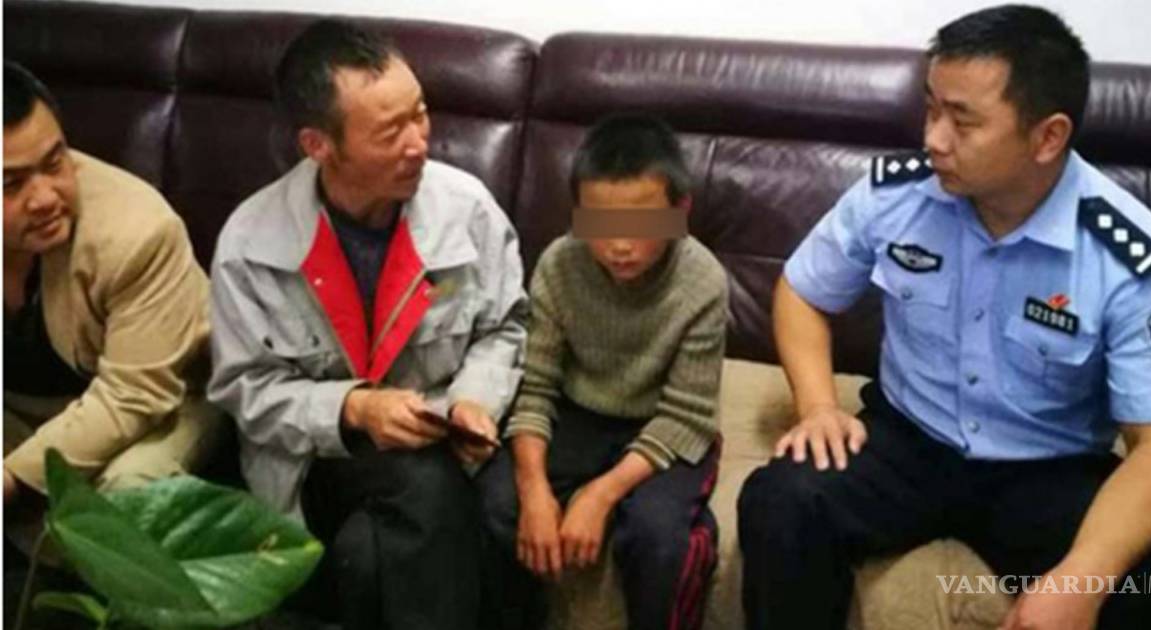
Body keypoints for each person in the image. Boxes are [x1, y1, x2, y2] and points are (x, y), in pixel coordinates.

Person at [737, 5, 1151, 630]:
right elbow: (802, 291)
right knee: (781, 501)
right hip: (908, 441)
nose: (934, 138)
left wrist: (1081, 578)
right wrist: (818, 406)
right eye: (931, 109)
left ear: (1047, 137)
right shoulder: (896, 194)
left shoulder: (1125, 253)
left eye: (962, 121)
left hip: (1047, 467)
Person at [205, 20, 527, 630]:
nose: (419, 143)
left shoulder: (466, 210)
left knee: (502, 509)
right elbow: (244, 389)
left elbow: (504, 327)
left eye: (420, 114)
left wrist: (473, 402)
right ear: (318, 145)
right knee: (423, 486)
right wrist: (353, 408)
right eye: (389, 132)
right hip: (320, 456)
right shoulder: (251, 244)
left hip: (443, 432)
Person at [477, 114, 728, 630]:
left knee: (658, 535)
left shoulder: (702, 280)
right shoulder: (559, 264)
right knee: (498, 500)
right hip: (579, 413)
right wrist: (534, 490)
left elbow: (687, 415)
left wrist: (601, 493)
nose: (619, 245)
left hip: (662, 422)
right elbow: (535, 389)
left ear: (680, 212)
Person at [3, 61, 220, 513]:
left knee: (125, 495)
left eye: (55, 163)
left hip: (165, 397)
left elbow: (132, 397)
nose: (45, 198)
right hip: (23, 403)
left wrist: (9, 478)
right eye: (11, 184)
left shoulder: (138, 231)